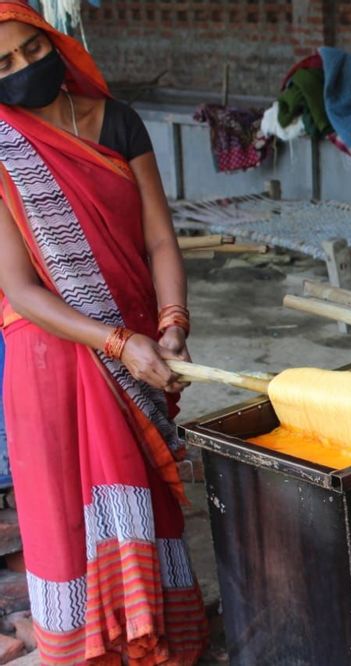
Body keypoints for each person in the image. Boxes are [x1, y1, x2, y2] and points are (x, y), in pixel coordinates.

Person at [0, 2, 208, 663]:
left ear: (54, 41)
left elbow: (158, 238)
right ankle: (82, 648)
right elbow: (19, 288)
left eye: (33, 51)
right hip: (51, 357)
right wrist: (115, 343)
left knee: (141, 490)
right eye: (2, 66)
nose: (25, 70)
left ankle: (156, 638)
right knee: (68, 515)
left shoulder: (117, 121)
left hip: (142, 335)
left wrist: (172, 323)